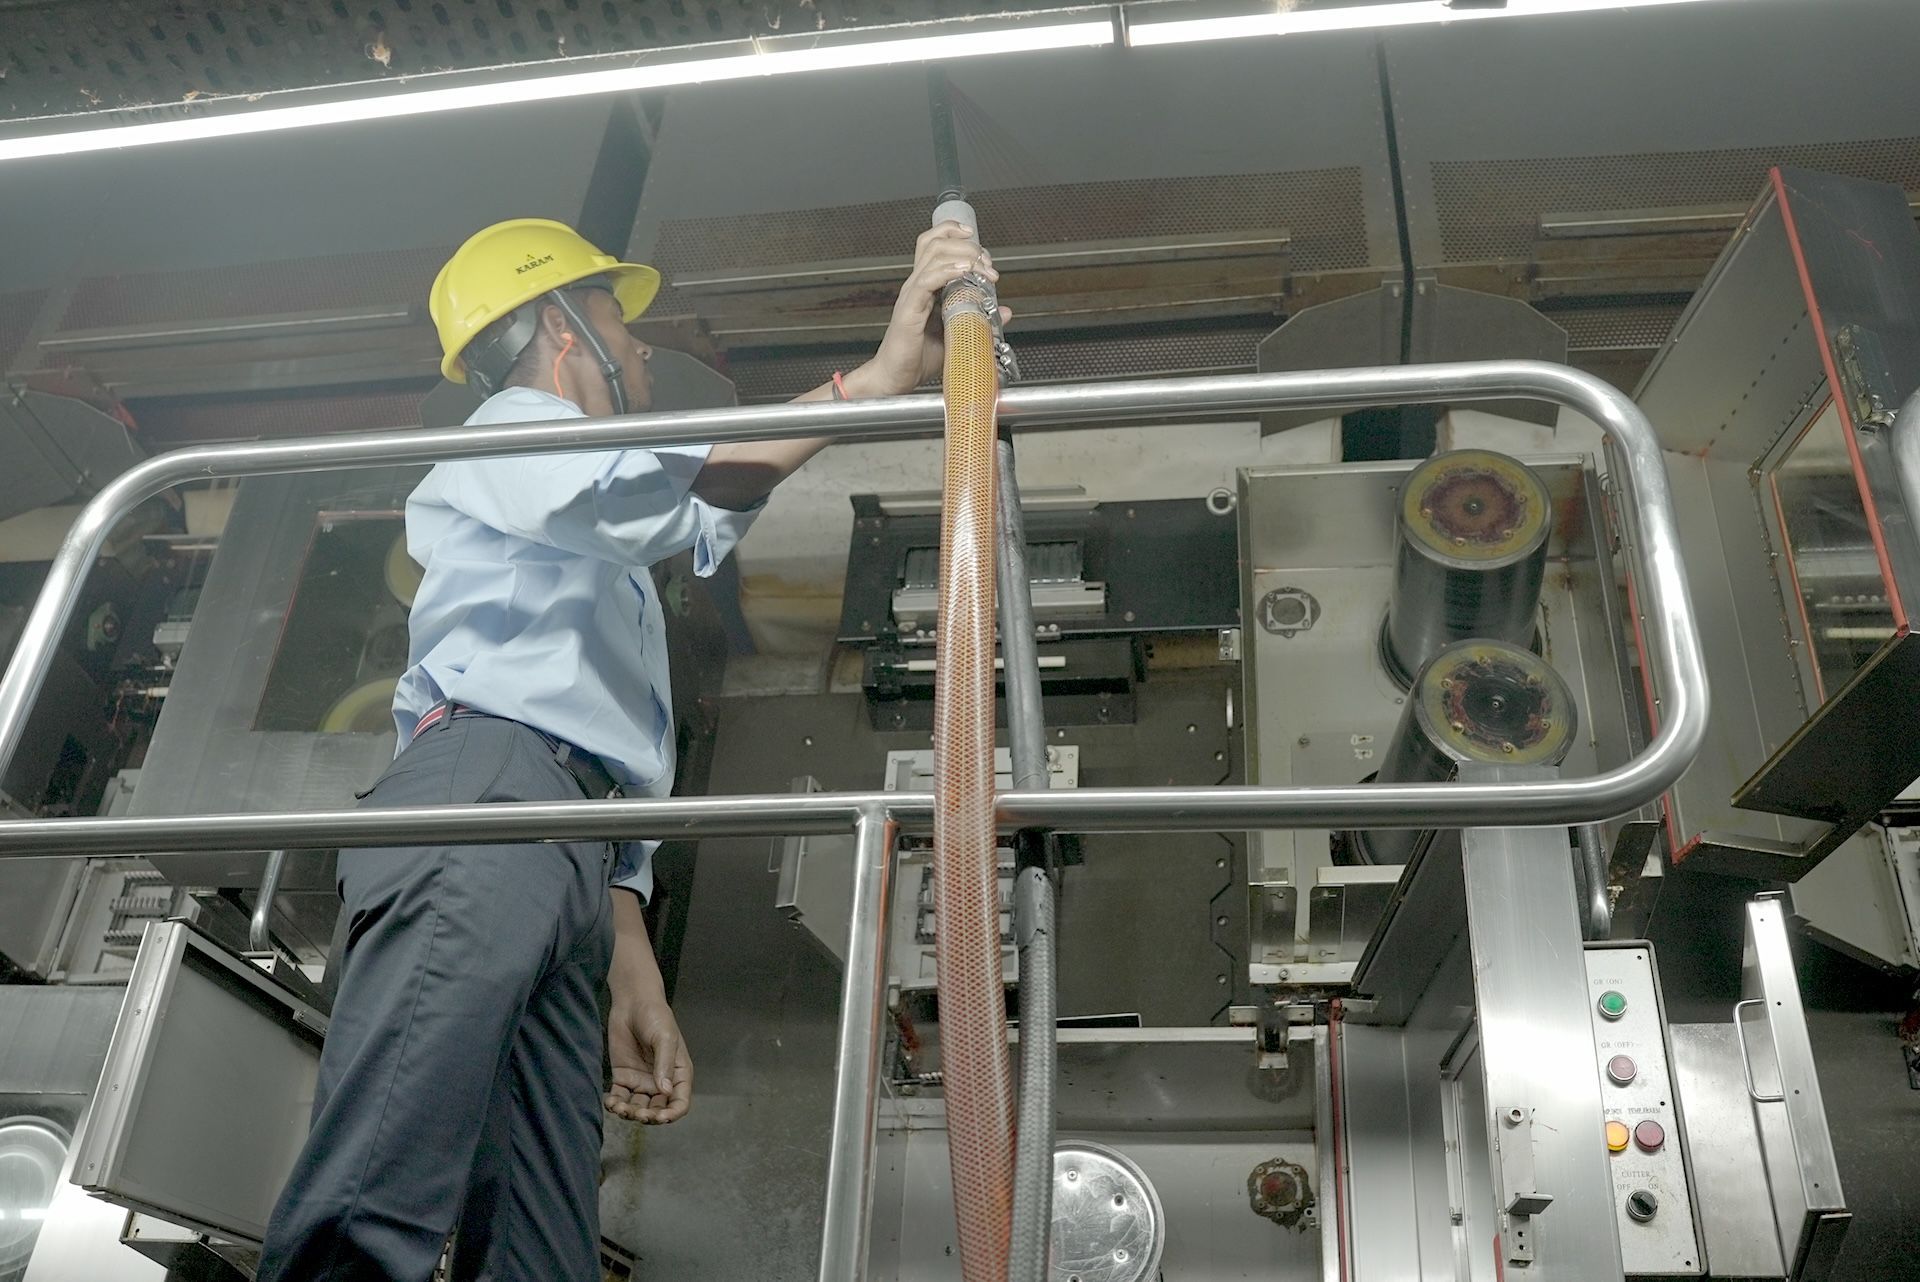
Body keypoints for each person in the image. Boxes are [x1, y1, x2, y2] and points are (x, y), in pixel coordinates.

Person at [256, 216, 998, 1281]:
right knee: (384, 1181)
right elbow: (682, 495)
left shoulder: (583, 516)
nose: (644, 348)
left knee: (542, 1243)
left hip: (568, 844)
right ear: (563, 327)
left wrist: (630, 964)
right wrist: (871, 378)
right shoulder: (510, 431)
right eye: (622, 318)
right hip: (483, 804)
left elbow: (688, 526)